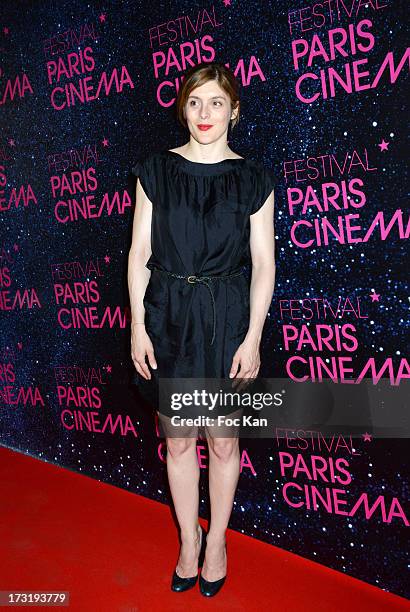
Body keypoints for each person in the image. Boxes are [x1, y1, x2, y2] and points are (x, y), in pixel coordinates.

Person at [128, 61, 276, 597]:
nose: (204, 113)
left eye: (216, 102)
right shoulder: (155, 171)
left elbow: (264, 263)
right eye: (195, 102)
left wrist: (254, 335)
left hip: (227, 318)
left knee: (224, 439)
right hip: (168, 314)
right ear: (182, 109)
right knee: (179, 439)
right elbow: (139, 252)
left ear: (234, 110)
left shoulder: (255, 178)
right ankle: (188, 541)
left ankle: (217, 543)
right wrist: (138, 327)